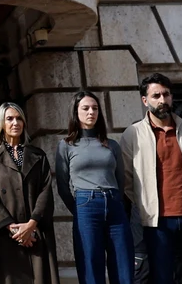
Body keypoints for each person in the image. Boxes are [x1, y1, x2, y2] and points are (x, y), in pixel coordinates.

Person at [120, 74, 182, 284]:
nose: (162, 100)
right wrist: (147, 204)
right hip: (157, 222)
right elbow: (126, 179)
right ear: (145, 100)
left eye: (166, 94)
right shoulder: (132, 134)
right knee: (162, 278)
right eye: (156, 95)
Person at [53, 92, 133, 284]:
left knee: (123, 264)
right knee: (90, 265)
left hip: (114, 204)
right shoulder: (66, 146)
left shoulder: (111, 145)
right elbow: (63, 186)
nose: (91, 112)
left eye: (95, 108)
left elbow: (121, 179)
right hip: (86, 205)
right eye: (86, 108)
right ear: (76, 112)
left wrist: (116, 202)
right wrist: (79, 209)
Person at [0, 103, 54, 284]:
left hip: (35, 232)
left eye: (19, 118)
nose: (15, 123)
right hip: (6, 237)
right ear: (1, 124)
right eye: (10, 119)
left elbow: (45, 191)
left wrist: (30, 226)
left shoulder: (38, 155)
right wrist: (14, 230)